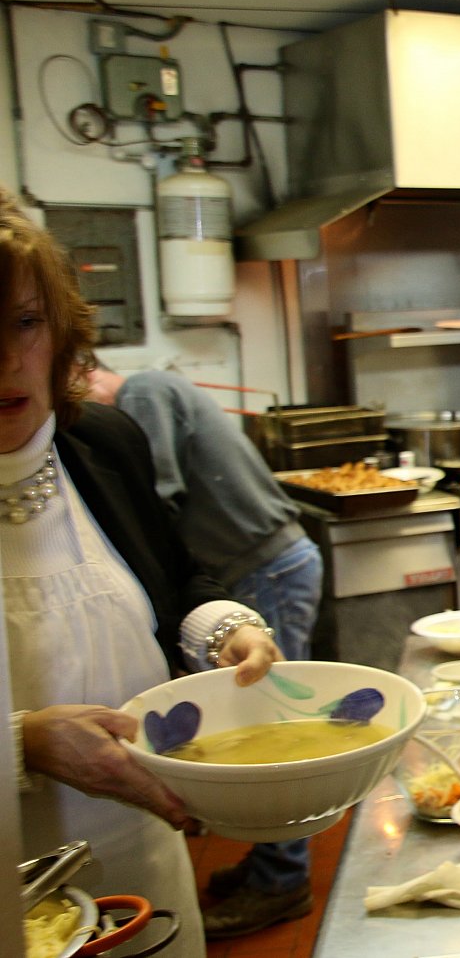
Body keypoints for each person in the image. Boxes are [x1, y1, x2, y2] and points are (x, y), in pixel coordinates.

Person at [2, 190, 282, 958]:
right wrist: (22, 742)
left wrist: (225, 628)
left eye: (24, 322)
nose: (5, 361)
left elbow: (173, 584)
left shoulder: (101, 443)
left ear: (58, 327)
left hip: (143, 856)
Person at [85, 364, 324, 939]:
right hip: (265, 565)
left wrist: (145, 579)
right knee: (263, 723)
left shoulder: (144, 392)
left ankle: (281, 883)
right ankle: (269, 859)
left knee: (274, 734)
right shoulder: (156, 389)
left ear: (88, 370)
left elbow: (157, 500)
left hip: (261, 569)